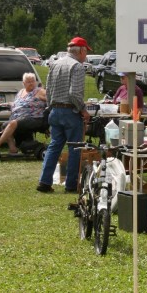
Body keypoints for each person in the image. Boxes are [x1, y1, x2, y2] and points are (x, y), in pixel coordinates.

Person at [37, 36, 92, 193]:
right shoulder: (77, 67)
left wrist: (52, 106)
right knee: (75, 148)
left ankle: (44, 181)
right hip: (70, 111)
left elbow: (48, 91)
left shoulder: (55, 64)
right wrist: (83, 109)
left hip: (54, 110)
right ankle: (71, 184)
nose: (86, 55)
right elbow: (74, 93)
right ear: (81, 50)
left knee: (54, 146)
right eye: (86, 52)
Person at [0, 72, 47, 155]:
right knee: (5, 125)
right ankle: (12, 148)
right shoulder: (21, 92)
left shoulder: (39, 91)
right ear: (23, 83)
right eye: (28, 81)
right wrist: (8, 104)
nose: (31, 83)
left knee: (13, 123)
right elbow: (17, 104)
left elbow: (51, 99)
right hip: (19, 117)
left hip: (35, 118)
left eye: (33, 81)